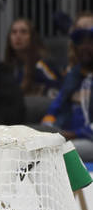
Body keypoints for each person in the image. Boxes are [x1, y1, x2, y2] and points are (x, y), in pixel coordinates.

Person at [42, 12, 93, 160]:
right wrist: (47, 127)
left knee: (62, 152)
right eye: (80, 40)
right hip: (68, 136)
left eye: (91, 40)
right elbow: (55, 108)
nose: (85, 46)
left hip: (84, 139)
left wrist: (74, 134)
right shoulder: (74, 75)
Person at [4, 17, 60, 96]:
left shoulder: (42, 64)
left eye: (23, 32)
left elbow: (56, 90)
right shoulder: (10, 66)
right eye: (14, 32)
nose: (18, 36)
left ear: (32, 37)